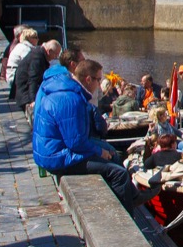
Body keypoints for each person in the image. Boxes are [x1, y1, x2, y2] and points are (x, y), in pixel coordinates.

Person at [32, 56, 139, 210]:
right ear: (88, 79)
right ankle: (125, 215)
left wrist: (102, 150)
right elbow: (75, 142)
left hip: (53, 149)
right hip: (56, 157)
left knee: (113, 153)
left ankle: (134, 196)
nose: (99, 85)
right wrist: (99, 152)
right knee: (118, 174)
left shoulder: (67, 89)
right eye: (98, 79)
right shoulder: (71, 99)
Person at [12, 39, 58, 115]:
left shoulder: (39, 53)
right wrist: (33, 100)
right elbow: (33, 79)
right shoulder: (37, 58)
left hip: (24, 91)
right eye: (56, 54)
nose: (56, 57)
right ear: (49, 51)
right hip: (25, 94)